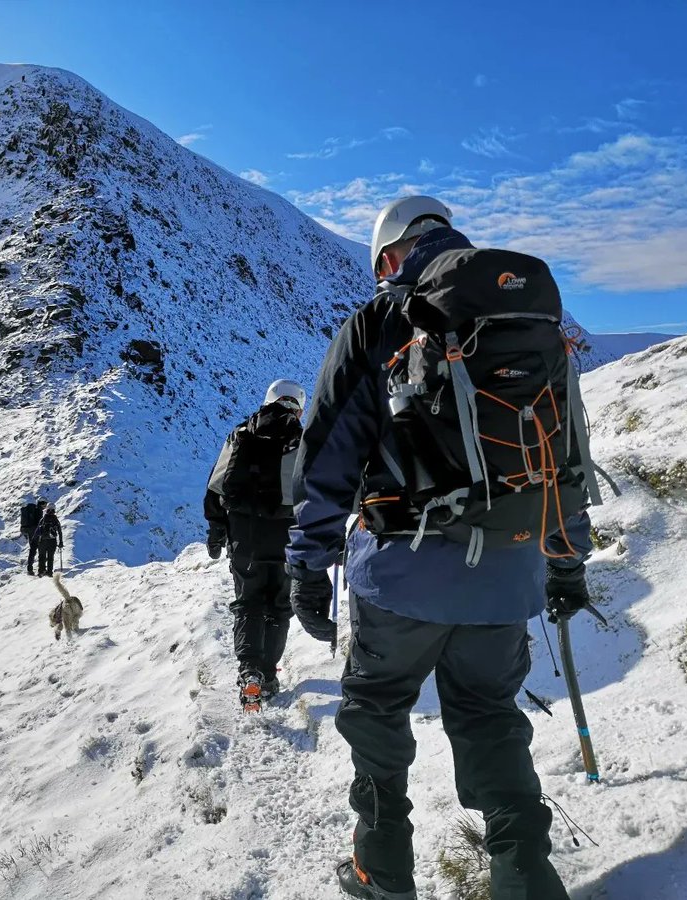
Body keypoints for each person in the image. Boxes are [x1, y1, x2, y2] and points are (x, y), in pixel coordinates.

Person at [286, 195, 593, 900]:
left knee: (378, 714)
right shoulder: (530, 323)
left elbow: (329, 449)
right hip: (508, 571)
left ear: (391, 255)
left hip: (401, 574)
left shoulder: (381, 322)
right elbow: (564, 446)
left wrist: (307, 563)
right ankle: (525, 879)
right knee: (491, 719)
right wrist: (566, 560)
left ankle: (382, 871)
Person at [204, 379, 306, 710]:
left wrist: (217, 529)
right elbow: (315, 490)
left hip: (245, 535)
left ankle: (249, 671)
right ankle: (269, 674)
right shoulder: (303, 440)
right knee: (279, 607)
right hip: (288, 537)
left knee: (249, 602)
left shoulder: (241, 433)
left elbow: (216, 485)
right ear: (298, 406)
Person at [33, 505, 63, 576]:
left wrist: (34, 540)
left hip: (42, 541)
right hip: (52, 541)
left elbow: (37, 530)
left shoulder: (43, 519)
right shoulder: (56, 520)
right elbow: (59, 531)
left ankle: (41, 571)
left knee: (41, 556)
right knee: (50, 557)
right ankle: (49, 572)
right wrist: (61, 542)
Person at [26, 499, 48, 574]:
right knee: (41, 551)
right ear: (42, 504)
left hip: (30, 533)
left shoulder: (33, 510)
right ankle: (41, 569)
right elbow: (39, 524)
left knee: (32, 551)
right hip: (36, 533)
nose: (45, 506)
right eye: (45, 504)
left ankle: (29, 569)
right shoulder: (39, 511)